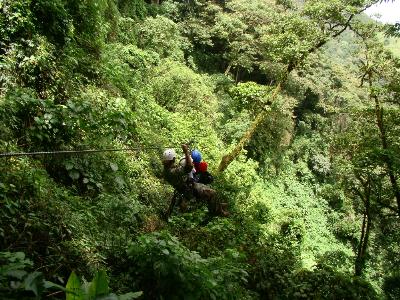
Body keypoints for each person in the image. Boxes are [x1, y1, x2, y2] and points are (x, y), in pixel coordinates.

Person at [162, 144, 229, 218]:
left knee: (209, 191)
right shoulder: (173, 171)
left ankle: (218, 205)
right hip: (188, 189)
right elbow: (189, 167)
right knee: (212, 193)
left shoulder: (167, 169)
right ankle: (219, 212)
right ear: (173, 159)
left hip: (187, 186)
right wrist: (186, 152)